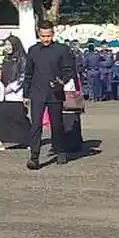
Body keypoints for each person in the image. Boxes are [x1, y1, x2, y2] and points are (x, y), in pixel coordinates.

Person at [23, 19, 76, 170]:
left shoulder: (62, 49)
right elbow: (28, 73)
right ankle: (34, 157)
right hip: (37, 92)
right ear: (39, 34)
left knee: (56, 124)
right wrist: (25, 94)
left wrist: (61, 82)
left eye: (49, 36)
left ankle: (60, 150)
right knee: (35, 125)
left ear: (53, 33)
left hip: (55, 93)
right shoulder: (33, 50)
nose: (46, 39)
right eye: (43, 36)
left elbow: (69, 70)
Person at [0, 35, 31, 151]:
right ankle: (0, 141)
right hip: (2, 93)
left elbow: (23, 76)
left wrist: (13, 87)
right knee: (1, 116)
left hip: (16, 94)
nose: (7, 47)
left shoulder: (23, 59)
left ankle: (29, 139)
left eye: (9, 45)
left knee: (19, 117)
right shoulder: (6, 59)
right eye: (5, 45)